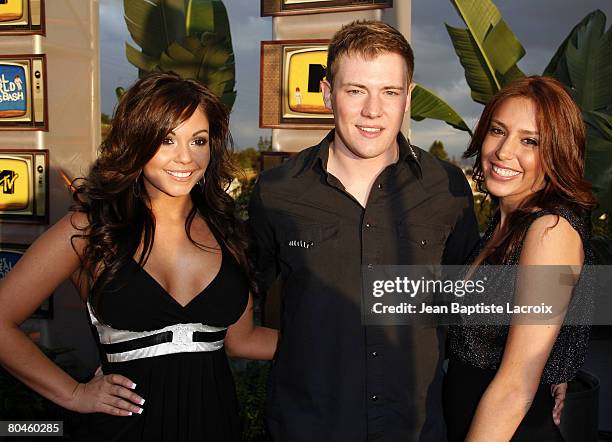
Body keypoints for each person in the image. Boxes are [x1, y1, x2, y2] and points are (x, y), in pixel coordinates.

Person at [0, 72, 278, 441]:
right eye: (166, 139)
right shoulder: (90, 231)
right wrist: (74, 393)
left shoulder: (228, 232)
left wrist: (340, 339)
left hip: (216, 425)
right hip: (124, 430)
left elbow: (242, 341)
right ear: (136, 141)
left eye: (198, 140)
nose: (186, 157)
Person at [249, 20, 480, 441]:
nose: (373, 110)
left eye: (389, 92)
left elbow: (474, 306)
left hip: (415, 430)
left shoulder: (448, 189)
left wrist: (549, 369)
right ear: (327, 93)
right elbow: (233, 299)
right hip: (307, 428)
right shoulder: (277, 191)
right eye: (356, 90)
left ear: (407, 98)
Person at [444, 76, 596, 441]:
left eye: (530, 141)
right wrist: (561, 368)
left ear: (557, 152)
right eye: (498, 131)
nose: (503, 151)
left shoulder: (550, 232)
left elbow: (515, 388)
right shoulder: (504, 224)